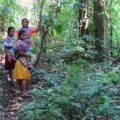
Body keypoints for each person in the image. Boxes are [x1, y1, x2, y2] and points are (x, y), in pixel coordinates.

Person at [13, 30, 32, 97]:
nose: (25, 36)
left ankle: (21, 92)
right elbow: (20, 52)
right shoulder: (18, 42)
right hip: (21, 61)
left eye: (25, 35)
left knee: (20, 78)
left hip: (20, 61)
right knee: (24, 78)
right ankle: (23, 93)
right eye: (23, 35)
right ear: (19, 35)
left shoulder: (21, 42)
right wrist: (28, 56)